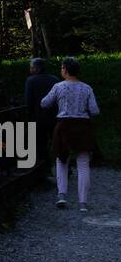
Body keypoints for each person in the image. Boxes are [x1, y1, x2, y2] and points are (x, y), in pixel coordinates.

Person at [40, 58, 100, 211]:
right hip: (83, 127)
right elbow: (95, 110)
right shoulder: (87, 88)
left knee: (61, 160)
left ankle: (62, 196)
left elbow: (44, 103)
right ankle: (83, 203)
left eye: (62, 68)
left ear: (65, 70)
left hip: (64, 126)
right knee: (83, 164)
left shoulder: (59, 86)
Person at [25, 57, 58, 167]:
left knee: (40, 144)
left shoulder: (31, 80)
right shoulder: (55, 79)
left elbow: (28, 101)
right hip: (54, 116)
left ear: (36, 69)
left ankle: (45, 167)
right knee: (57, 142)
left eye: (31, 67)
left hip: (38, 117)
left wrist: (29, 115)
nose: (30, 69)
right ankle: (64, 166)